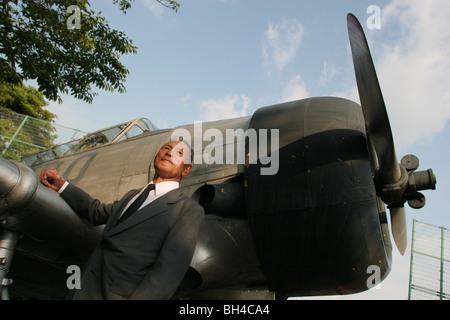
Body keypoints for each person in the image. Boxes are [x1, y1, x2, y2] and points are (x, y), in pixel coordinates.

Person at [40, 139, 204, 300]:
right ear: (156, 156)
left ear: (186, 169)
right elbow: (95, 212)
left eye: (179, 153)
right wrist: (61, 185)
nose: (169, 152)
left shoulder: (187, 209)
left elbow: (168, 273)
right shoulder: (132, 195)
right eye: (166, 148)